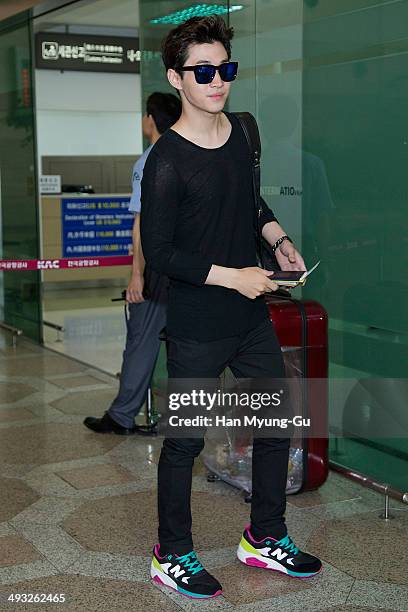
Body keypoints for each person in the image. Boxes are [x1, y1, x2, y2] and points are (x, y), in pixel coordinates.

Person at [140, 16, 322, 599]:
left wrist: (277, 238)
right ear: (177, 78)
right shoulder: (167, 159)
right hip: (197, 323)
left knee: (276, 425)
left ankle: (264, 536)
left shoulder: (243, 133)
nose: (218, 81)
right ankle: (172, 553)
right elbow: (162, 253)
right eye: (204, 71)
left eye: (226, 68)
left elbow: (249, 200)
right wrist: (233, 278)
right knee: (186, 442)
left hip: (249, 318)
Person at [84, 92, 181, 436]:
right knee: (187, 347)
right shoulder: (187, 152)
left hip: (158, 270)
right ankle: (184, 420)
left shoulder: (148, 161)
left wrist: (136, 275)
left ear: (150, 120)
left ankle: (122, 415)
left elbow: (142, 224)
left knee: (141, 339)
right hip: (191, 269)